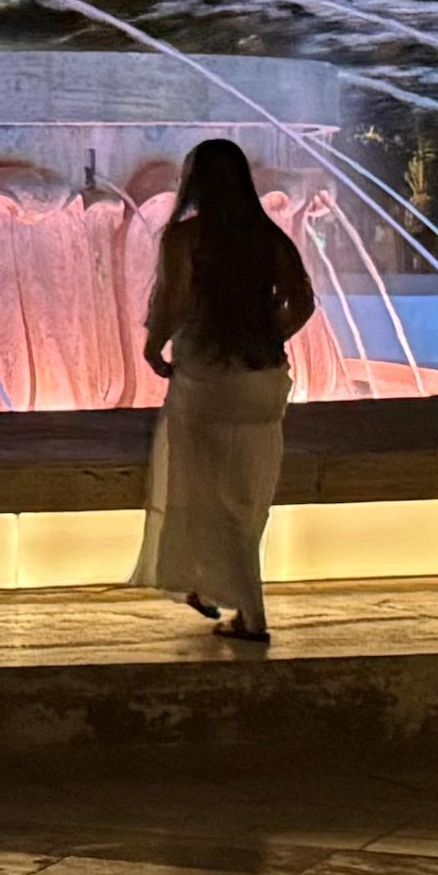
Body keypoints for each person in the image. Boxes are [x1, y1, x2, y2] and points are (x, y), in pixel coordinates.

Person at [131, 139, 319, 643]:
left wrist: (154, 347)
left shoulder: (186, 238)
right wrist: (268, 335)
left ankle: (248, 614)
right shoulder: (268, 236)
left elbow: (172, 301)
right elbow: (303, 301)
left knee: (200, 488)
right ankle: (210, 587)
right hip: (263, 381)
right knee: (247, 495)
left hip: (207, 378)